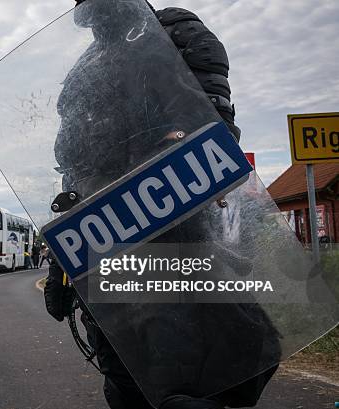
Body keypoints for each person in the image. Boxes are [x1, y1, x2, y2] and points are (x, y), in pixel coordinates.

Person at [45, 1, 279, 408]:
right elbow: (73, 173)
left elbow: (214, 126)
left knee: (209, 362)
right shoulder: (80, 72)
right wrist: (62, 265)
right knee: (124, 374)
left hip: (182, 237)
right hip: (110, 248)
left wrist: (179, 145)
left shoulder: (172, 31)